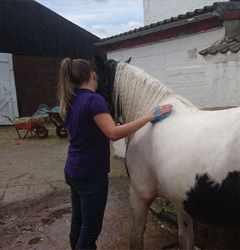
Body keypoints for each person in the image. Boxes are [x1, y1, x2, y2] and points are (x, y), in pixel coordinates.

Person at [57, 58, 172, 249]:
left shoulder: (69, 100)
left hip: (72, 170)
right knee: (91, 229)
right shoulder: (94, 100)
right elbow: (113, 134)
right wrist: (149, 116)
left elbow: (74, 135)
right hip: (91, 174)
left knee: (78, 222)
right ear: (94, 75)